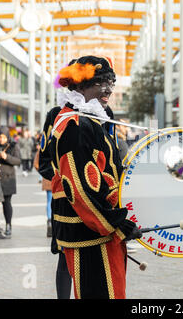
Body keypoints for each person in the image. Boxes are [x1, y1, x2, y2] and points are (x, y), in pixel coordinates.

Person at [49, 56, 141, 299]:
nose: (108, 89)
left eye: (111, 82)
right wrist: (116, 222)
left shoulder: (89, 119)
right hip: (91, 232)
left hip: (96, 229)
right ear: (80, 86)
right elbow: (80, 186)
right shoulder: (76, 124)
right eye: (101, 83)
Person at [38, 105, 72, 299]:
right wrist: (63, 182)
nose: (107, 89)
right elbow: (45, 161)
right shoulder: (55, 114)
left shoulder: (105, 113)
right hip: (66, 201)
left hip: (99, 200)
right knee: (65, 256)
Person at [33, 146, 52, 237]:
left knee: (49, 201)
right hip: (61, 179)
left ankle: (49, 222)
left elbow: (36, 164)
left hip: (48, 178)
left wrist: (44, 172)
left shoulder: (43, 147)